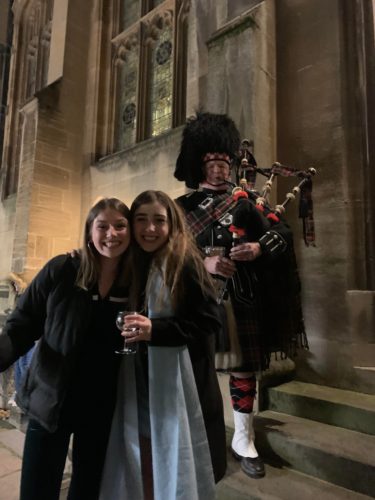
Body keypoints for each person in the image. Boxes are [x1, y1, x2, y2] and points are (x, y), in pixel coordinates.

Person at [174, 112, 307, 479]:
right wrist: (204, 263)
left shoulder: (247, 202)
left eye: (225, 162)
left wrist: (258, 249)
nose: (220, 169)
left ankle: (244, 438)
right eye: (212, 162)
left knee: (245, 369)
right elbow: (169, 254)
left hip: (242, 300)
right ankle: (193, 433)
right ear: (197, 165)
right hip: (197, 301)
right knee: (193, 369)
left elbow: (283, 236)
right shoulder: (180, 210)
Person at [0, 197, 131, 500]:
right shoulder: (63, 269)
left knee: (87, 488)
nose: (112, 233)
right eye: (103, 226)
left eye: (120, 225)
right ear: (89, 231)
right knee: (37, 488)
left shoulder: (136, 281)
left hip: (102, 405)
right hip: (51, 397)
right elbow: (22, 324)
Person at [99, 190, 226, 500]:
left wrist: (156, 330)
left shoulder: (184, 263)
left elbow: (210, 321)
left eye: (159, 220)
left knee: (172, 457)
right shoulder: (135, 265)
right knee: (142, 453)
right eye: (141, 220)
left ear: (172, 225)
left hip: (179, 387)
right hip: (140, 382)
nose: (150, 229)